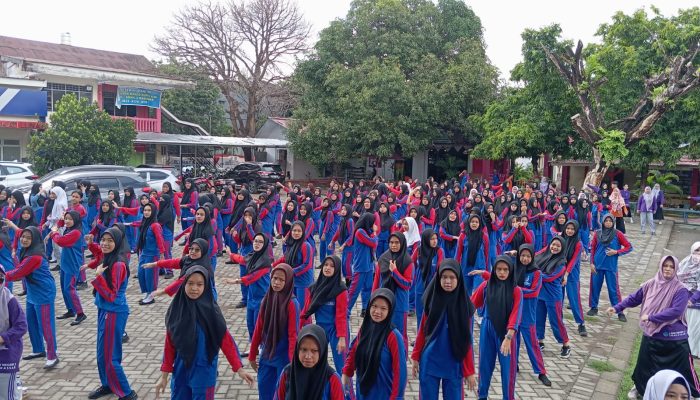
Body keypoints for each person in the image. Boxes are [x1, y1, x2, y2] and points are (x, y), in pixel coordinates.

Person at [155, 266, 254, 399]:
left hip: (204, 373)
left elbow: (226, 342)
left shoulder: (212, 313)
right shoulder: (176, 312)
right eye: (190, 283)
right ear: (184, 284)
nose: (194, 288)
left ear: (206, 286)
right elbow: (169, 345)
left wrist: (239, 368)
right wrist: (164, 376)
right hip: (180, 372)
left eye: (199, 284)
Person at [610, 256, 700, 399]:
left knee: (685, 369)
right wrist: (617, 308)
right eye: (665, 266)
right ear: (661, 266)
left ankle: (693, 394)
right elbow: (635, 298)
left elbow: (676, 311)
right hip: (652, 334)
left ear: (676, 268)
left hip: (675, 339)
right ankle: (641, 389)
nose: (668, 269)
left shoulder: (680, 289)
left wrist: (652, 317)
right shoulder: (650, 284)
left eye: (671, 266)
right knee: (645, 365)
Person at [411, 259, 477, 400]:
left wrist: (469, 370)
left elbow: (467, 340)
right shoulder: (432, 301)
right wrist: (416, 356)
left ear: (459, 279)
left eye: (452, 277)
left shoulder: (464, 306)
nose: (448, 281)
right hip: (430, 361)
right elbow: (423, 330)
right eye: (444, 277)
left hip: (454, 362)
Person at [86, 227, 136, 400]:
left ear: (118, 242)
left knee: (110, 356)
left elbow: (112, 296)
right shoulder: (109, 257)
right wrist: (91, 244)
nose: (105, 244)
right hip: (104, 310)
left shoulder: (119, 264)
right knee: (101, 354)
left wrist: (98, 277)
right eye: (103, 240)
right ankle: (108, 384)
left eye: (110, 241)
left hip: (114, 312)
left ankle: (127, 392)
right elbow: (97, 254)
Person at [5, 226, 58, 369]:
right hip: (33, 291)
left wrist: (2, 276)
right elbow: (19, 267)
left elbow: (17, 273)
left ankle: (52, 355)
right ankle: (38, 349)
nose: (24, 239)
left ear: (34, 239)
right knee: (31, 321)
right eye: (23, 237)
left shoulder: (35, 256)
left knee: (46, 325)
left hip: (44, 292)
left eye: (28, 238)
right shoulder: (27, 251)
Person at [471, 256, 523, 400]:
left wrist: (508, 337)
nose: (502, 272)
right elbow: (472, 304)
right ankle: (482, 396)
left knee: (508, 371)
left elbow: (515, 315)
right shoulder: (487, 285)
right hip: (487, 329)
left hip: (507, 333)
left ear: (510, 271)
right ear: (494, 270)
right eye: (498, 269)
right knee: (484, 366)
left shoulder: (516, 291)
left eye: (505, 269)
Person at [342, 288, 407, 400]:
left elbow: (400, 371)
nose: (377, 312)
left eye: (383, 308)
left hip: (383, 393)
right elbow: (354, 350)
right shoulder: (365, 327)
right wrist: (347, 372)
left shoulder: (393, 336)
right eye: (374, 306)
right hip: (362, 390)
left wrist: (397, 397)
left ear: (390, 311)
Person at [249, 264, 300, 400]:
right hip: (267, 355)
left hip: (283, 358)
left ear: (288, 281)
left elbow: (293, 336)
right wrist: (252, 355)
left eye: (281, 280)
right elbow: (258, 329)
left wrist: (292, 364)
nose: (276, 282)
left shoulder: (292, 304)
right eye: (274, 278)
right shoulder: (267, 299)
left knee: (281, 394)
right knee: (264, 390)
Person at [299, 255, 348, 373]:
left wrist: (342, 338)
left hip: (336, 330)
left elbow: (341, 315)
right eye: (325, 265)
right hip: (320, 329)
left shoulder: (341, 289)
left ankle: (346, 391)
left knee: (341, 365)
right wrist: (299, 328)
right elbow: (306, 310)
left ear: (336, 270)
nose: (328, 268)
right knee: (317, 361)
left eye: (332, 266)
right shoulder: (315, 287)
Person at [274, 324, 345, 400]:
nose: (308, 356)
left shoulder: (332, 379)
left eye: (314, 351)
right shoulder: (287, 373)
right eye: (304, 350)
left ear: (322, 351)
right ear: (297, 349)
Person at [225, 233, 272, 339]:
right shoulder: (253, 255)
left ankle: (262, 348)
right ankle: (253, 348)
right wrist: (231, 254)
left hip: (262, 297)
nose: (257, 243)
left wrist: (236, 281)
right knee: (250, 324)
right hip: (252, 296)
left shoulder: (265, 261)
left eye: (260, 242)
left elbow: (252, 277)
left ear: (265, 245)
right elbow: (242, 260)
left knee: (258, 325)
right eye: (255, 241)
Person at [588, 214, 633, 321]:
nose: (608, 222)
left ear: (613, 222)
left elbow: (629, 247)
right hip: (597, 266)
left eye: (610, 221)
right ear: (603, 222)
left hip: (610, 267)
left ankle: (619, 311)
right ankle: (594, 307)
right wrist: (591, 263)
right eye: (606, 221)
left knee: (613, 290)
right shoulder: (597, 233)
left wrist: (616, 252)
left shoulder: (618, 234)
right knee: (595, 287)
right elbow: (593, 248)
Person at [372, 232, 414, 344]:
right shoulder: (383, 258)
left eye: (396, 242)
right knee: (382, 333)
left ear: (402, 243)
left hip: (399, 304)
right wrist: (373, 299)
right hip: (383, 302)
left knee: (399, 335)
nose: (393, 245)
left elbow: (407, 284)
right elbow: (376, 281)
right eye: (391, 242)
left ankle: (402, 359)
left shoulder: (407, 261)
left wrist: (394, 272)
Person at [48, 210, 87, 326]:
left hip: (72, 264)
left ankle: (80, 313)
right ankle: (70, 309)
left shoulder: (76, 232)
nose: (67, 221)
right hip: (65, 263)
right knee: (64, 288)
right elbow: (59, 225)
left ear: (75, 220)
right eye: (66, 219)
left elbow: (61, 241)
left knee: (70, 289)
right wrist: (61, 219)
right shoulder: (69, 229)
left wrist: (54, 232)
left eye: (70, 219)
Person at [535, 236, 572, 358]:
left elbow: (549, 277)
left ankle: (565, 344)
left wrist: (534, 273)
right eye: (553, 244)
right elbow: (531, 258)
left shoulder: (561, 263)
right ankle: (539, 341)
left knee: (555, 320)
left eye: (558, 246)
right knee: (538, 318)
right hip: (540, 293)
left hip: (553, 296)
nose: (554, 247)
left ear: (562, 248)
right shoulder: (543, 255)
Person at [0, 264, 27, 399]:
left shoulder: (9, 300)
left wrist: (3, 337)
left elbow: (21, 326)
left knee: (6, 393)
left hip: (6, 352)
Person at [348, 213, 378, 316]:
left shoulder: (366, 231)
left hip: (369, 265)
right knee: (354, 290)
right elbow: (373, 243)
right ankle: (346, 309)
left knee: (368, 288)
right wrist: (374, 232)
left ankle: (365, 308)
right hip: (360, 266)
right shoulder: (360, 232)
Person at [678, 242, 700, 357]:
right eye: (697, 250)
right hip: (684, 299)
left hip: (696, 302)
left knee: (695, 328)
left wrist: (693, 299)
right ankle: (686, 349)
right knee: (685, 326)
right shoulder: (685, 262)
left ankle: (694, 352)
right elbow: (677, 276)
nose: (698, 254)